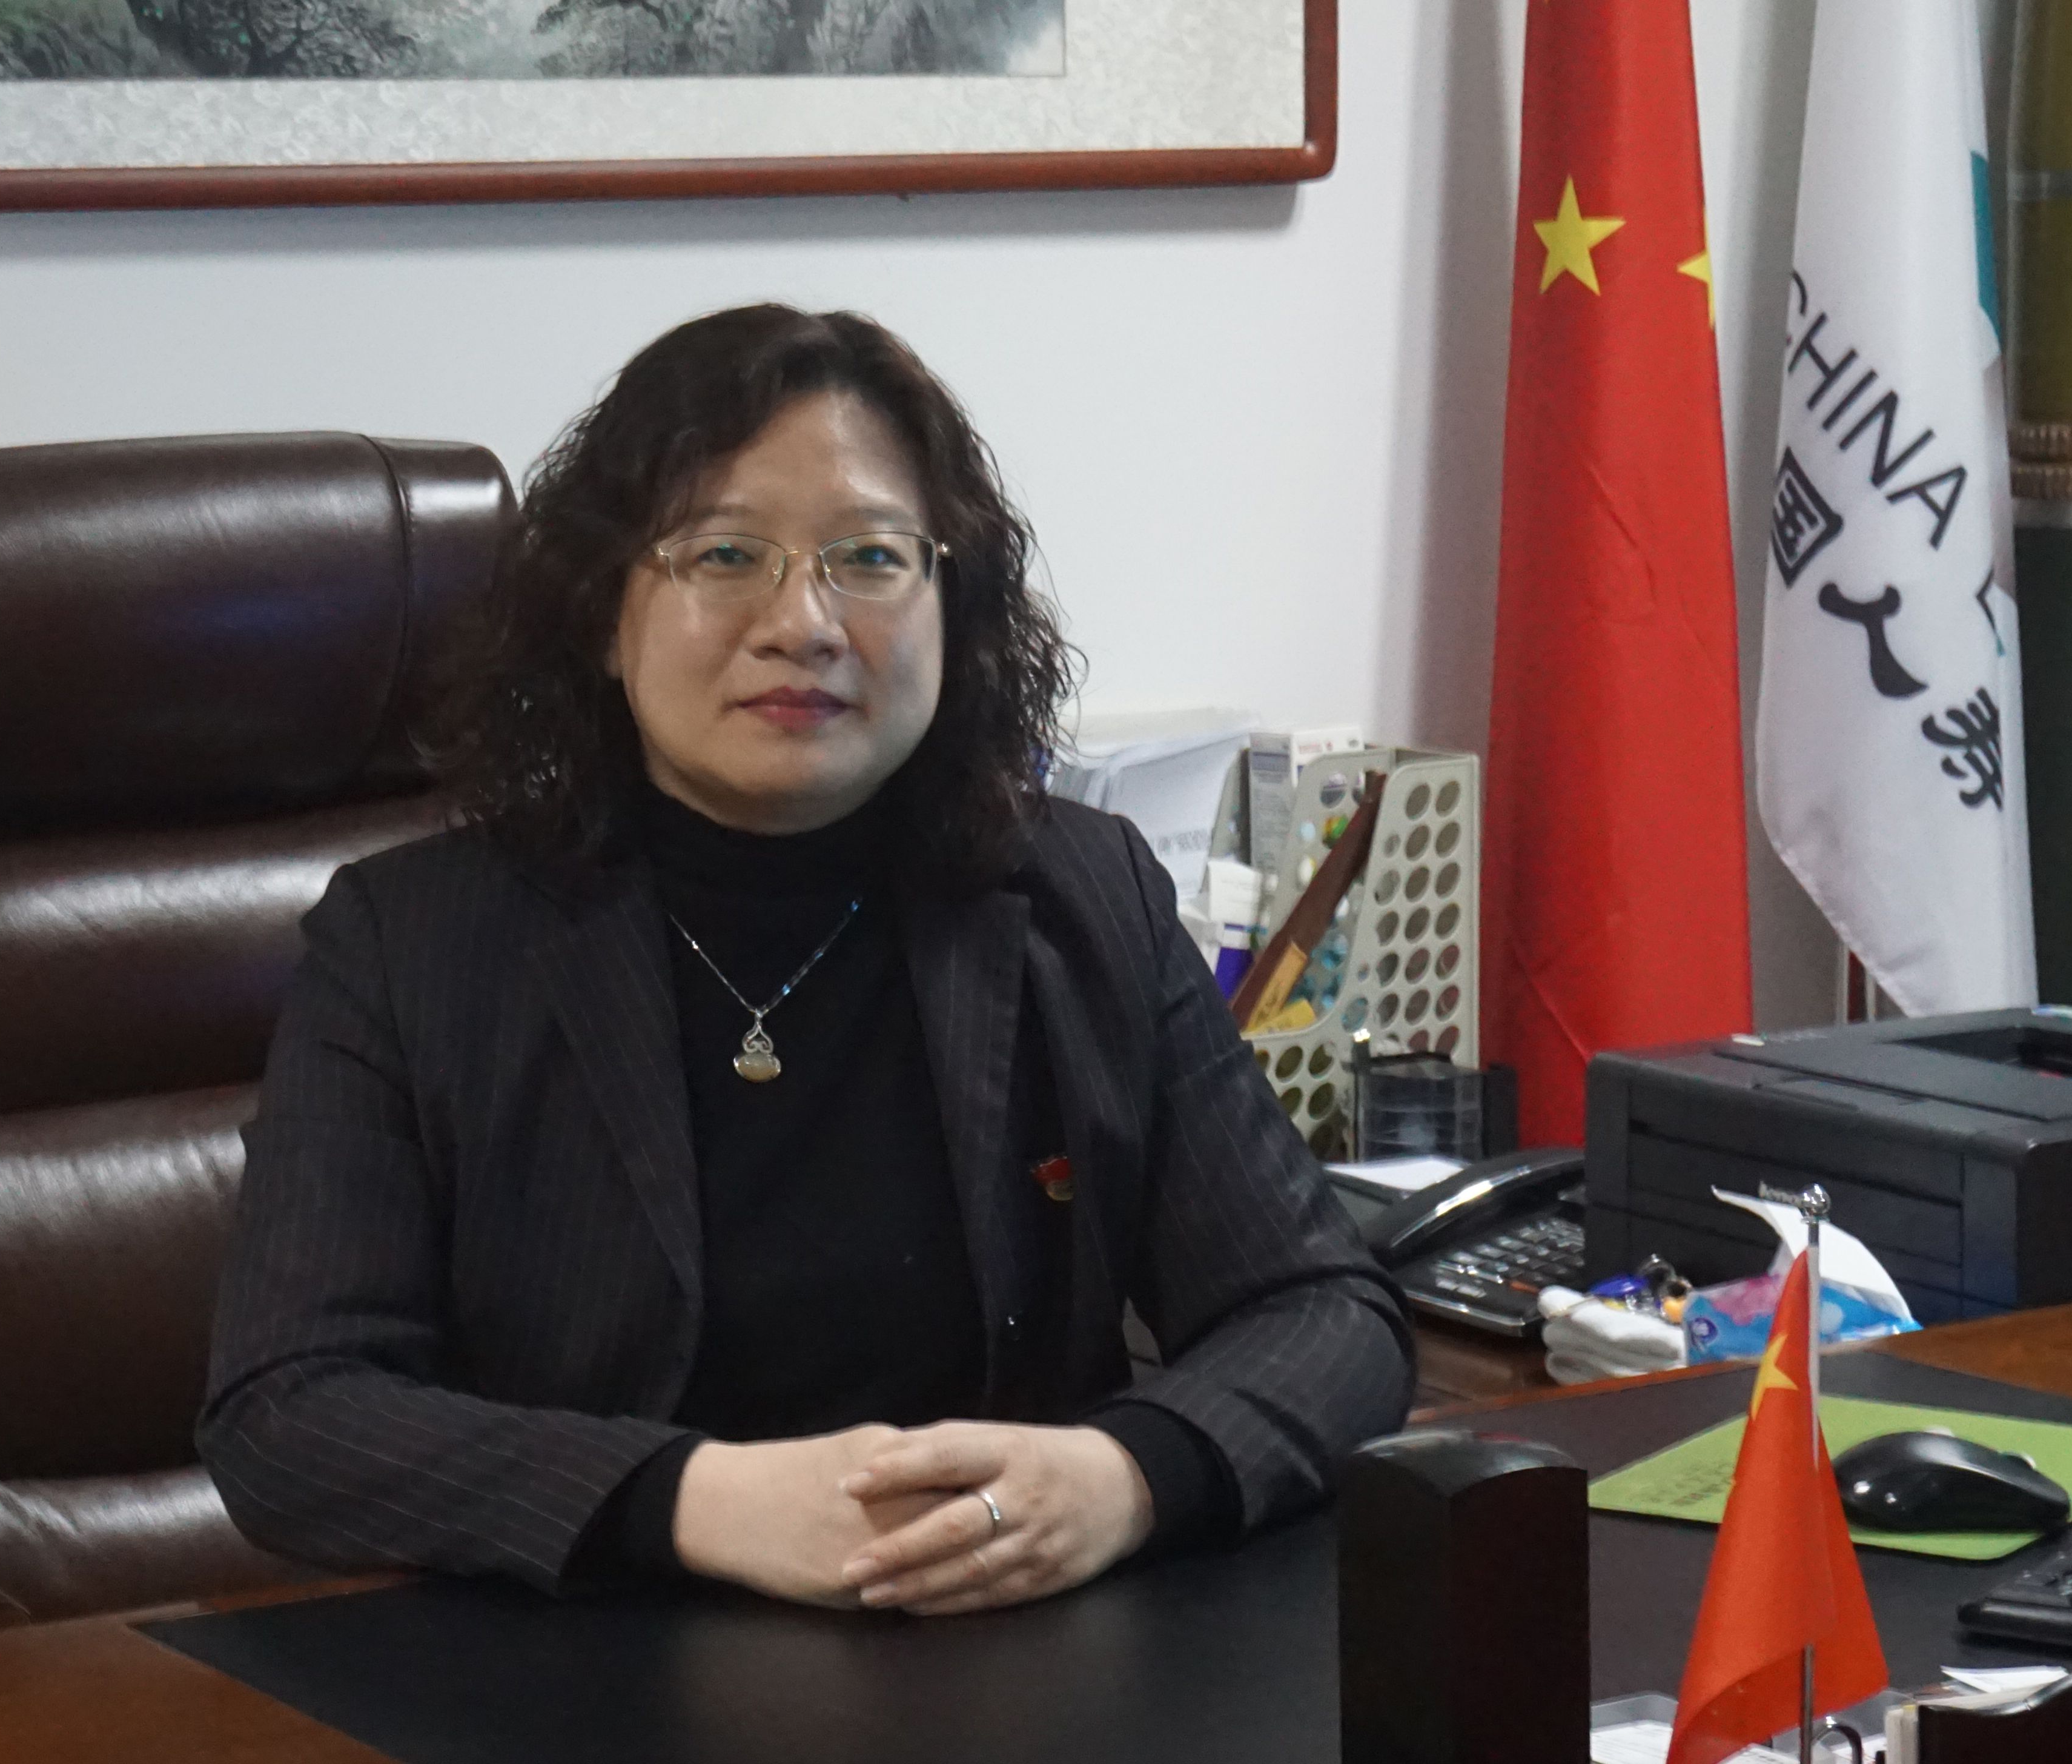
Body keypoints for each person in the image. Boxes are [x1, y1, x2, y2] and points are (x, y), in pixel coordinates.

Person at [198, 304, 1412, 1617]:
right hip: (588, 1663)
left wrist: (1122, 1478)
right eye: (725, 554)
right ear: (603, 614)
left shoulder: (1081, 895)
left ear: (953, 606)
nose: (803, 622)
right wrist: (698, 1501)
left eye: (869, 557)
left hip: (1009, 1646)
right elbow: (289, 1413)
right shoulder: (413, 943)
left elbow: (1326, 1311)